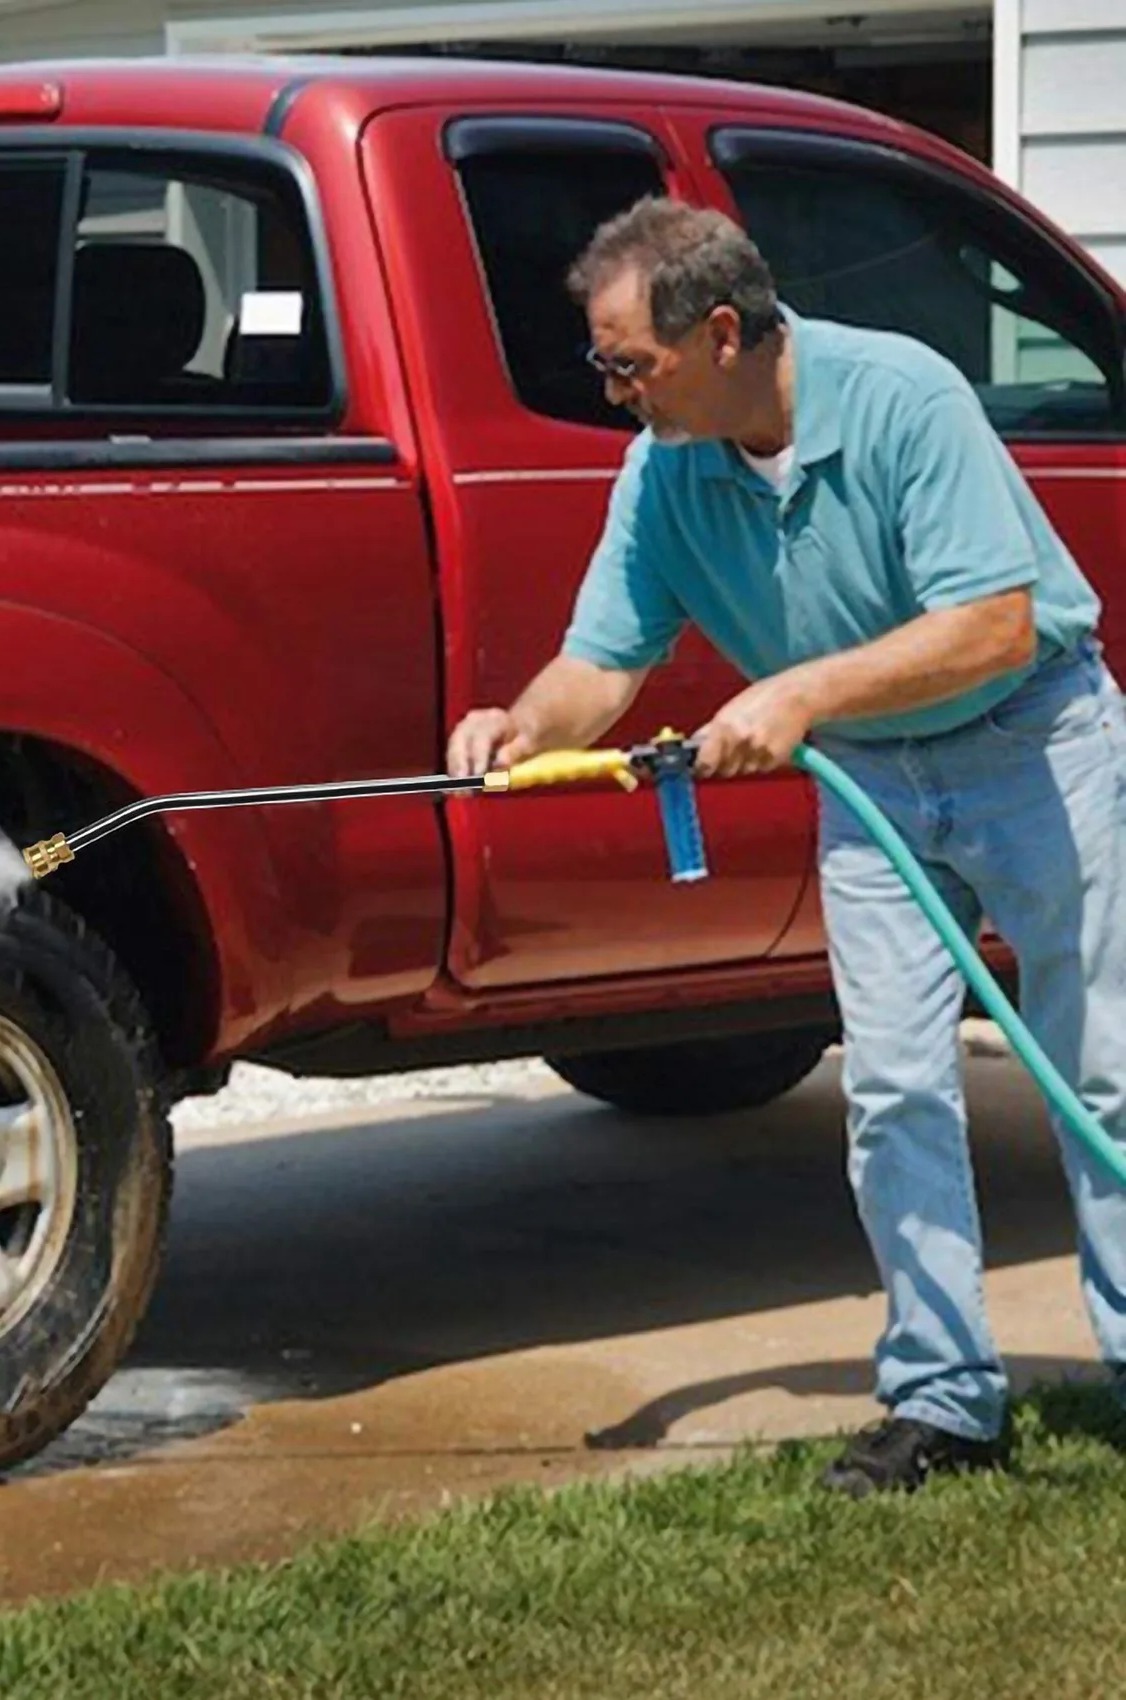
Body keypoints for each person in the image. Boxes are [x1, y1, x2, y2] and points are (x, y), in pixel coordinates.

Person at [446, 196, 1126, 1497]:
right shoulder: (661, 470)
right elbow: (605, 658)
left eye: (626, 364)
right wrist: (521, 729)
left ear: (718, 333)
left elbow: (993, 623)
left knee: (1102, 1075)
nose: (610, 392)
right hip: (873, 779)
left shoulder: (903, 398)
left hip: (1034, 745)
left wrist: (801, 694)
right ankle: (943, 1399)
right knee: (894, 1090)